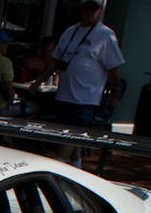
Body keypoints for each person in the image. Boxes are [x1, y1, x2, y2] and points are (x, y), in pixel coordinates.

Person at [49, 0, 123, 163]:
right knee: (69, 133)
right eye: (86, 8)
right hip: (65, 93)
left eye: (93, 8)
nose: (89, 12)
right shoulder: (70, 31)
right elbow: (55, 58)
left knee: (72, 134)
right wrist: (39, 80)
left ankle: (58, 164)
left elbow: (114, 70)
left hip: (86, 97)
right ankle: (77, 165)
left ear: (99, 11)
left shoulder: (105, 35)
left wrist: (114, 95)